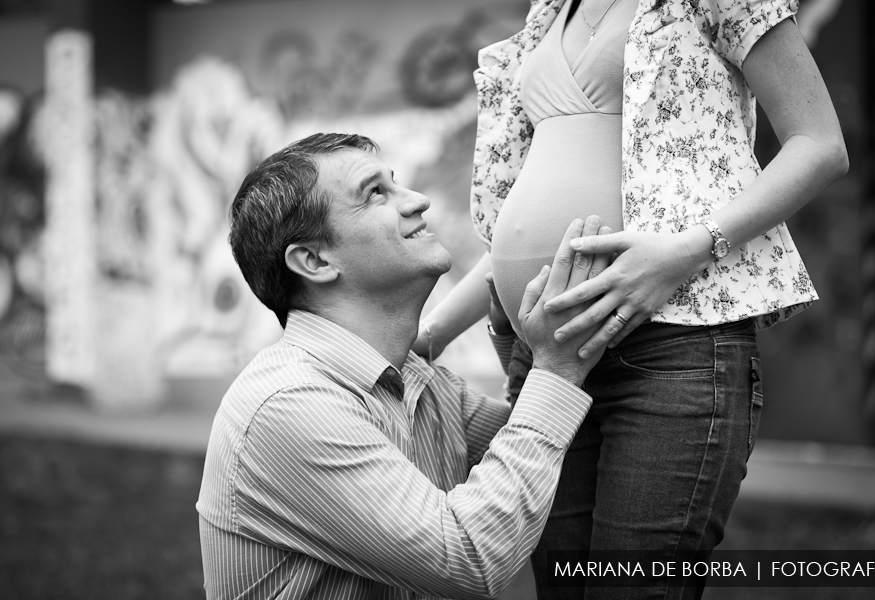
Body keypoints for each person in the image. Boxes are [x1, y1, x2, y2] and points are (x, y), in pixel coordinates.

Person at [415, 0, 849, 598]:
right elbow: (541, 218)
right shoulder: (549, 13)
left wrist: (686, 252)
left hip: (672, 345)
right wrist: (431, 334)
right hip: (546, 360)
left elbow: (820, 145)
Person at [196, 132, 617, 600]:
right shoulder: (289, 406)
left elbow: (544, 461)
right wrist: (555, 368)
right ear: (315, 260)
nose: (418, 200)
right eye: (376, 192)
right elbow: (470, 559)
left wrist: (517, 345)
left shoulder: (415, 377)